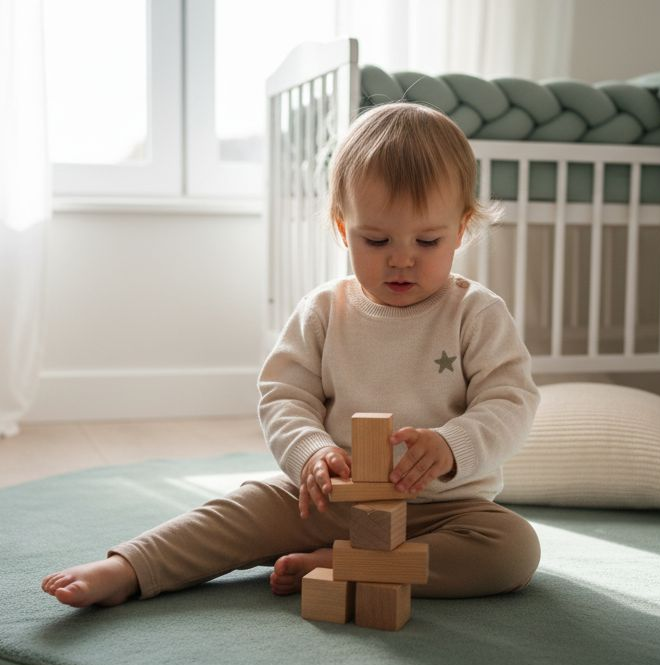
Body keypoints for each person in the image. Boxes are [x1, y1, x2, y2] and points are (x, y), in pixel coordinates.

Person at [42, 102, 541, 608]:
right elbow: (283, 396)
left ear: (461, 230)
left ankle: (340, 563)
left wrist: (454, 445)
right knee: (240, 510)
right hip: (329, 502)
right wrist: (311, 453)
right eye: (376, 239)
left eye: (428, 240)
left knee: (514, 550)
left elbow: (511, 400)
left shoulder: (475, 312)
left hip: (443, 510)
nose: (402, 258)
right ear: (345, 230)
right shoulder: (325, 310)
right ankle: (128, 568)